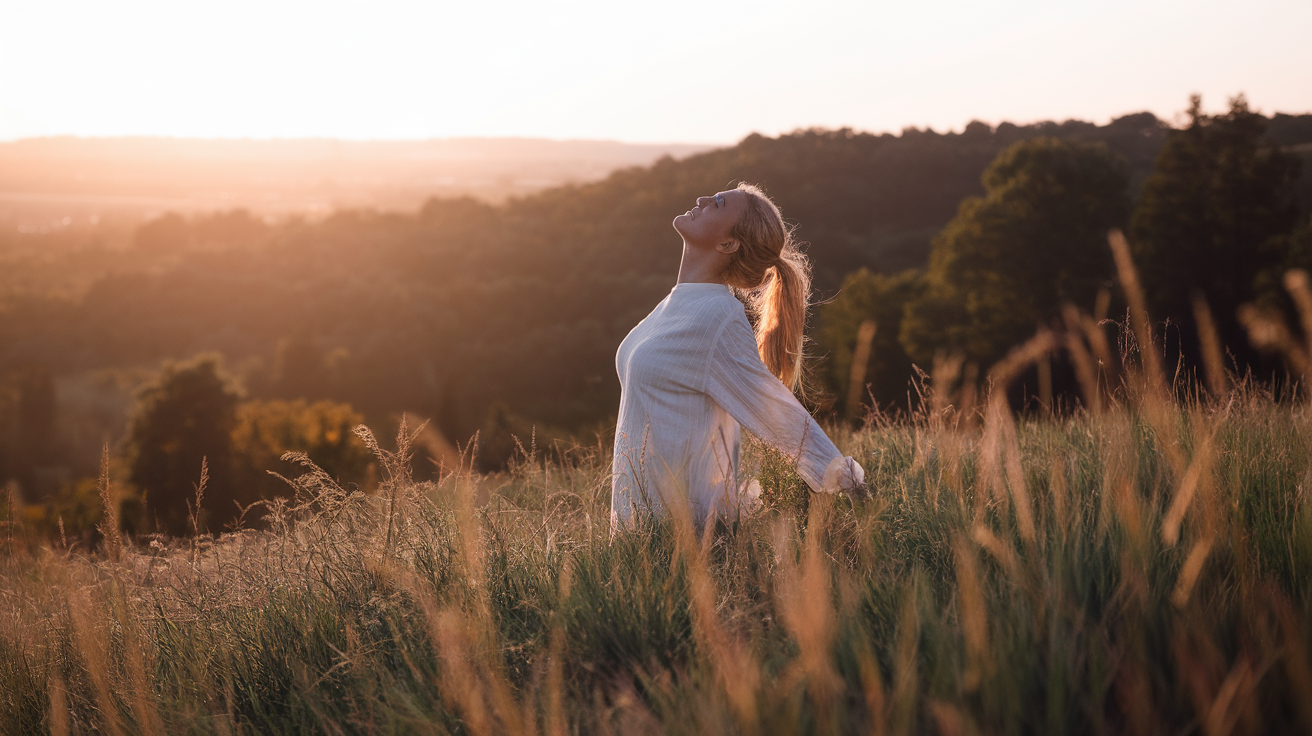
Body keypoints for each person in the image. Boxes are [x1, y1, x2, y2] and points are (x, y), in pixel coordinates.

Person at [611, 183, 865, 530]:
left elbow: (780, 417)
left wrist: (856, 490)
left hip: (686, 538)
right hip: (639, 531)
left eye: (717, 204)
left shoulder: (717, 317)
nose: (701, 200)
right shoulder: (677, 303)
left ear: (728, 244)